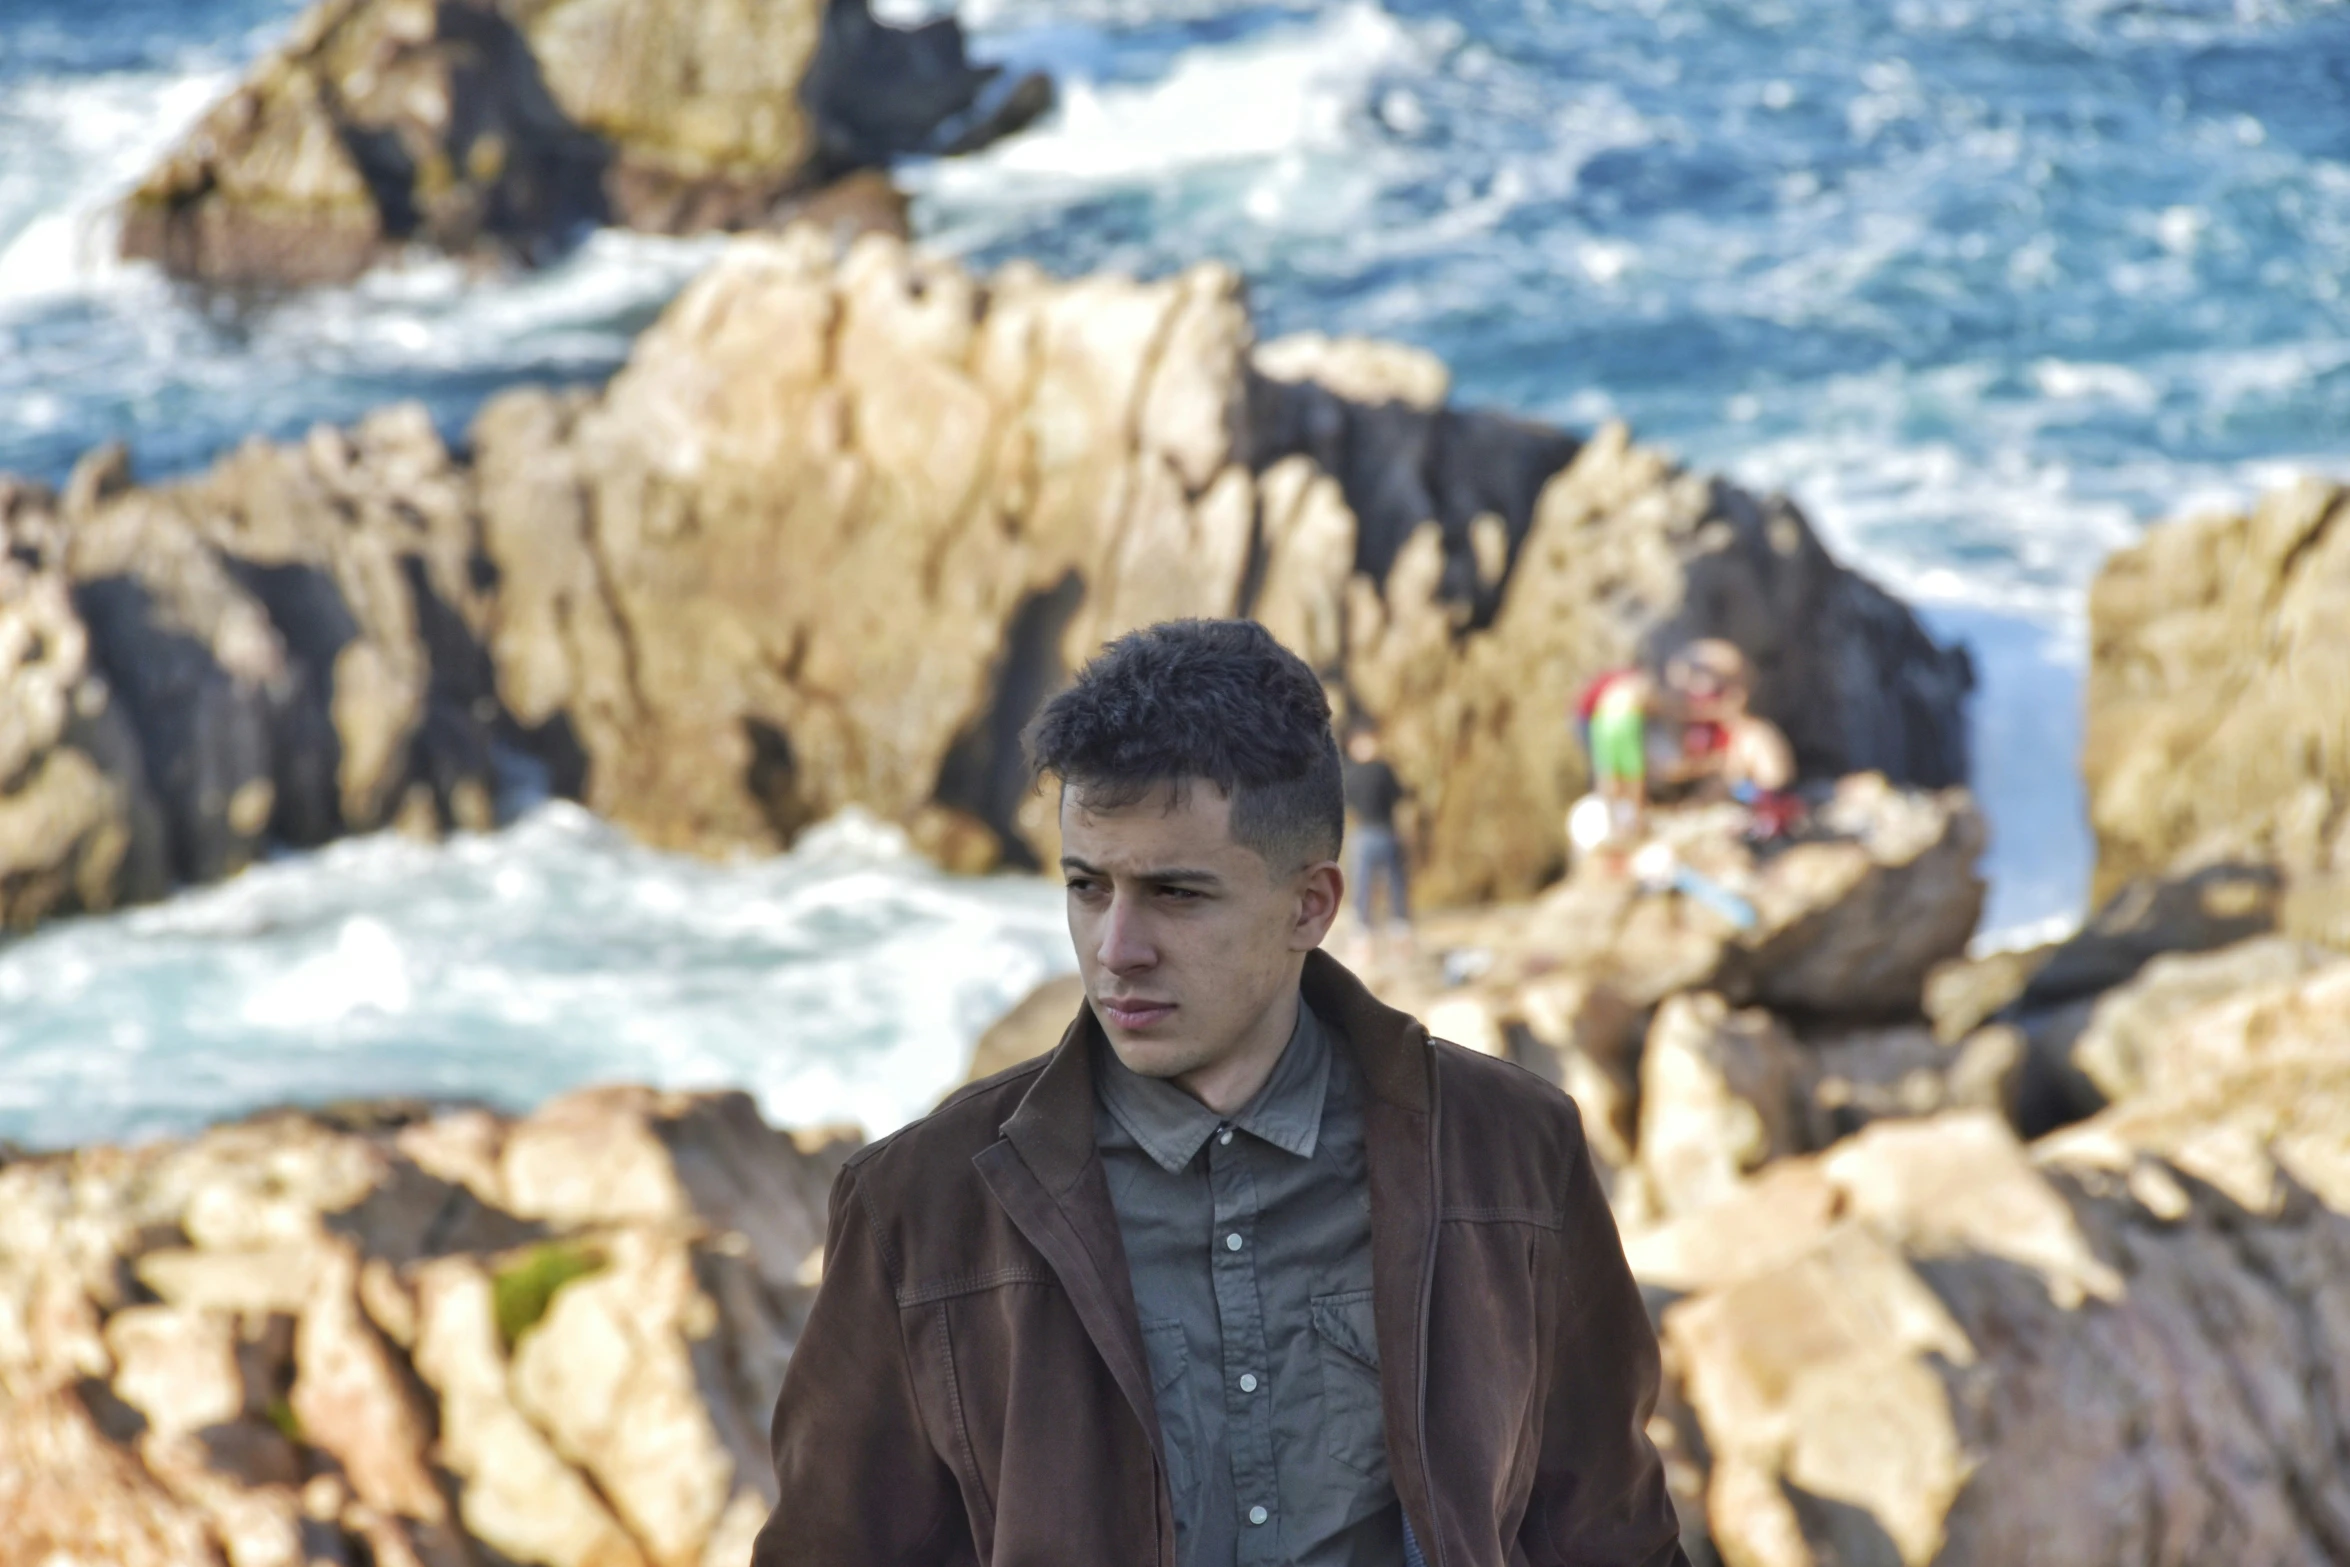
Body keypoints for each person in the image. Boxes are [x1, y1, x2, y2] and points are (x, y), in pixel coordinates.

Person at [756, 619, 1687, 1567]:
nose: (1117, 949)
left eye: (1176, 894)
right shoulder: (920, 1206)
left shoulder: (1513, 1151)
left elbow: (1610, 1535)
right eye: (1087, 887)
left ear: (1310, 906)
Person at [1341, 724, 1412, 938]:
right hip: (1367, 833)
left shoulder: (1379, 769)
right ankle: (1365, 928)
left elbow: (1400, 798)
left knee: (1394, 881)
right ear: (1352, 746)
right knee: (1365, 883)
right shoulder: (1356, 772)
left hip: (1383, 832)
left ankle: (1399, 925)